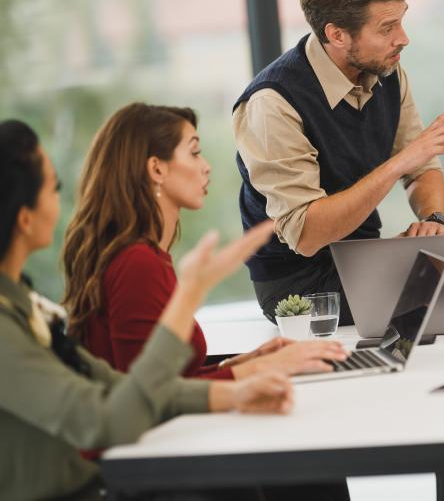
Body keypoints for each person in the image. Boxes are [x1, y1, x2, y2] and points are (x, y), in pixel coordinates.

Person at [0, 120, 289, 501]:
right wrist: (191, 293)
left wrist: (236, 394)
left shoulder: (18, 305)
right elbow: (111, 421)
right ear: (23, 217)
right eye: (53, 188)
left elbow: (120, 387)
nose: (60, 201)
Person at [233, 0, 444, 324]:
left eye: (401, 21)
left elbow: (423, 168)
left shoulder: (386, 73)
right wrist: (399, 163)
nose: (403, 39)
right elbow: (306, 235)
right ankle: (436, 351)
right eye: (386, 28)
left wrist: (434, 219)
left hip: (366, 262)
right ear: (336, 34)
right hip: (302, 287)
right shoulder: (273, 103)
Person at [62, 103, 349, 381]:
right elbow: (151, 396)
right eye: (195, 153)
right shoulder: (136, 264)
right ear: (157, 169)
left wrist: (248, 362)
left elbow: (171, 382)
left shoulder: (144, 257)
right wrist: (259, 369)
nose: (206, 166)